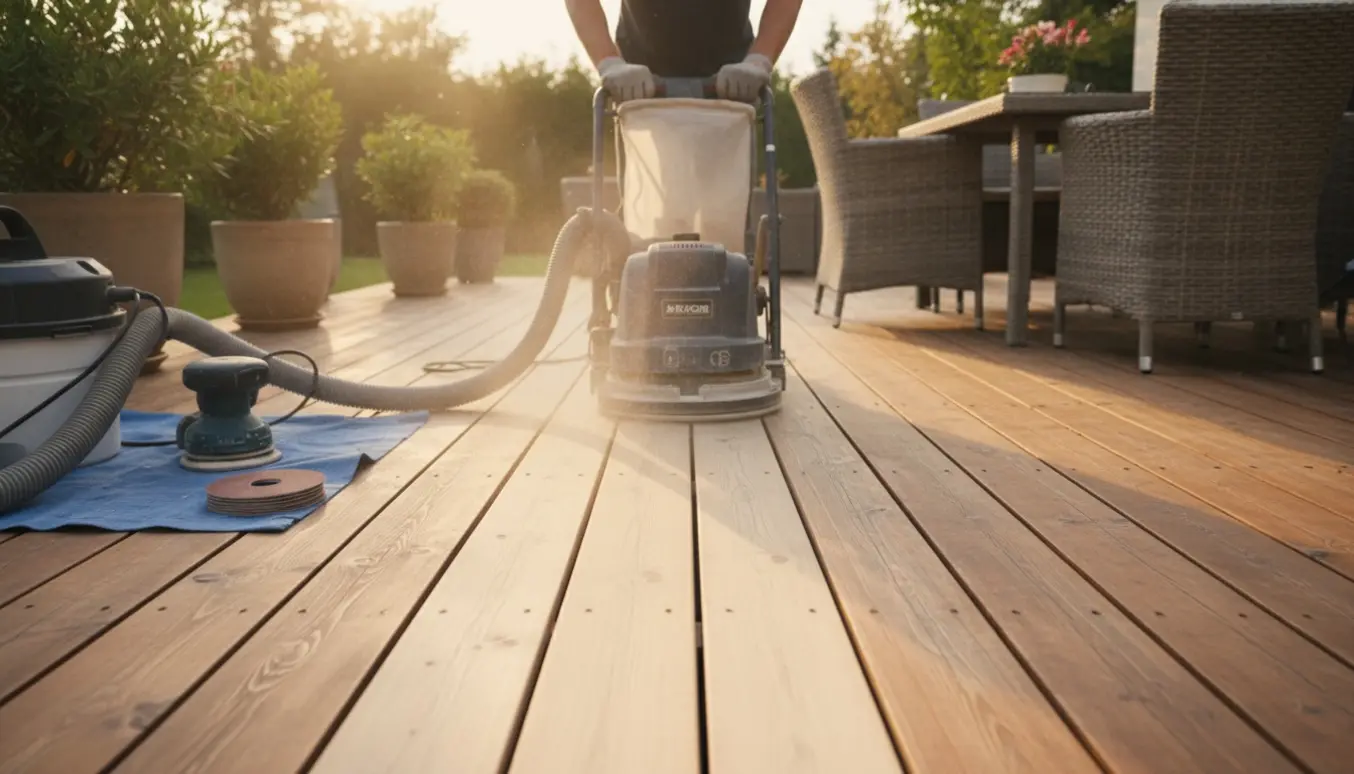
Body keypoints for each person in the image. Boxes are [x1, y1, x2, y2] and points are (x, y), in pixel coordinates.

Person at [565, 0, 804, 103]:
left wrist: (759, 59)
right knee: (645, 199)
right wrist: (610, 62)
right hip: (639, 88)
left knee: (727, 196)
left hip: (731, 86)